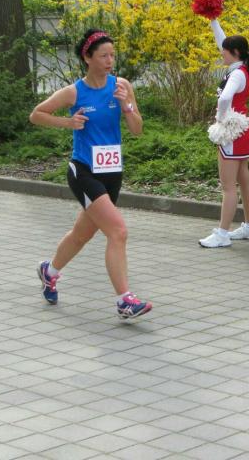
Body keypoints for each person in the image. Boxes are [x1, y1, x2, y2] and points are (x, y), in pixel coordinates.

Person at [29, 29, 152, 319]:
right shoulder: (74, 91)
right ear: (88, 58)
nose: (110, 61)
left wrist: (126, 105)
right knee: (118, 231)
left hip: (112, 172)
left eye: (112, 55)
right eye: (103, 56)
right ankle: (124, 300)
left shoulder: (121, 85)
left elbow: (137, 130)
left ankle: (49, 271)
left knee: (81, 235)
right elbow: (37, 114)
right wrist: (68, 123)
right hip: (83, 170)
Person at [199, 18, 249, 247]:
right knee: (244, 180)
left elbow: (225, 98)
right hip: (242, 130)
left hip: (232, 132)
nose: (221, 53)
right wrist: (213, 20)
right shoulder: (241, 68)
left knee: (228, 186)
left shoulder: (236, 75)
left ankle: (222, 234)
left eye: (224, 51)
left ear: (235, 53)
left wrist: (220, 119)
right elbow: (222, 42)